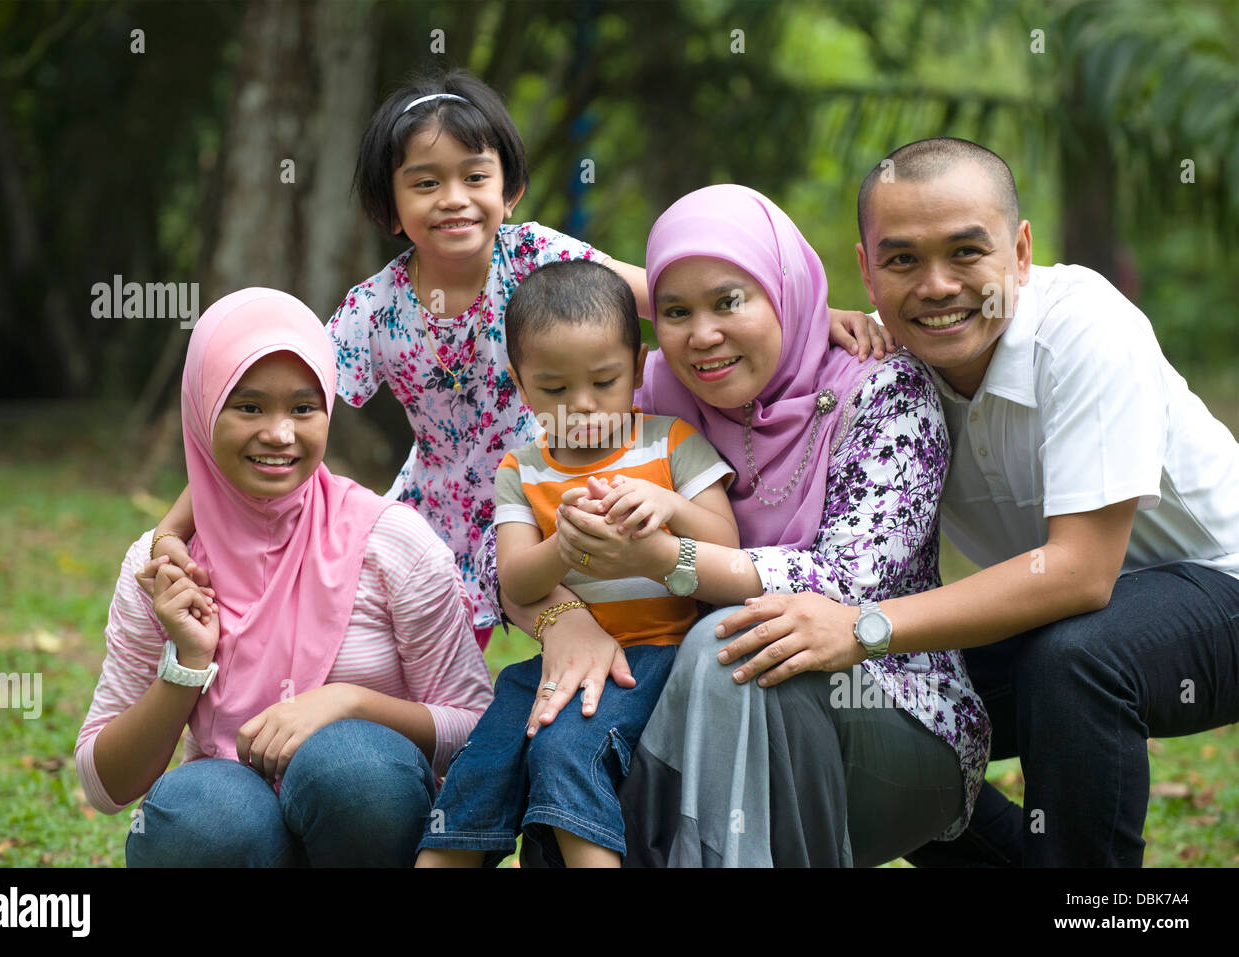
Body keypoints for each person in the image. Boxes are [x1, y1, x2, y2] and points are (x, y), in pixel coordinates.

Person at [140, 69, 893, 645]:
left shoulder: (533, 253)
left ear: (511, 187)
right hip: (436, 512)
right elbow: (284, 404)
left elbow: (656, 293)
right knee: (430, 668)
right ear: (388, 207)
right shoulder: (375, 311)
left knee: (613, 632)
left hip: (558, 487)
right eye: (425, 183)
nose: (454, 199)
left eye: (475, 176)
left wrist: (803, 311)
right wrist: (183, 521)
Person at [717, 137, 1239, 867]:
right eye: (902, 260)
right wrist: (804, 320)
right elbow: (697, 313)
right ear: (866, 269)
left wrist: (865, 625)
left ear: (1020, 252)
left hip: (1217, 586)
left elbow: (1080, 575)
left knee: (1072, 660)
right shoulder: (882, 365)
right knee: (866, 693)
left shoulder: (1089, 331)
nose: (936, 286)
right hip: (1062, 609)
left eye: (967, 252)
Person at [480, 185, 991, 867]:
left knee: (725, 644)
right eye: (675, 311)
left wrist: (666, 556)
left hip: (883, 703)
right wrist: (562, 615)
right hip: (690, 696)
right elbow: (523, 531)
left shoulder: (883, 391)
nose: (703, 334)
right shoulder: (643, 389)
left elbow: (847, 583)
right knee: (576, 751)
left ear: (785, 293)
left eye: (730, 301)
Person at [74, 287, 494, 867]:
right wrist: (187, 666)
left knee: (352, 770)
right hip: (236, 821)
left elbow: (477, 728)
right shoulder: (164, 569)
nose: (280, 434)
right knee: (204, 820)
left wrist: (348, 703)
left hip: (369, 827)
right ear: (202, 411)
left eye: (303, 408)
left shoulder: (392, 542)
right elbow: (105, 784)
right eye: (248, 407)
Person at [416, 260, 739, 868]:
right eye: (555, 390)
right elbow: (514, 578)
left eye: (604, 381)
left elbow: (728, 542)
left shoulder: (671, 443)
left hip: (655, 656)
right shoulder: (521, 468)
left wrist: (670, 504)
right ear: (520, 383)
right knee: (483, 761)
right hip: (555, 662)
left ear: (639, 368)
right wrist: (560, 548)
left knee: (567, 752)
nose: (581, 407)